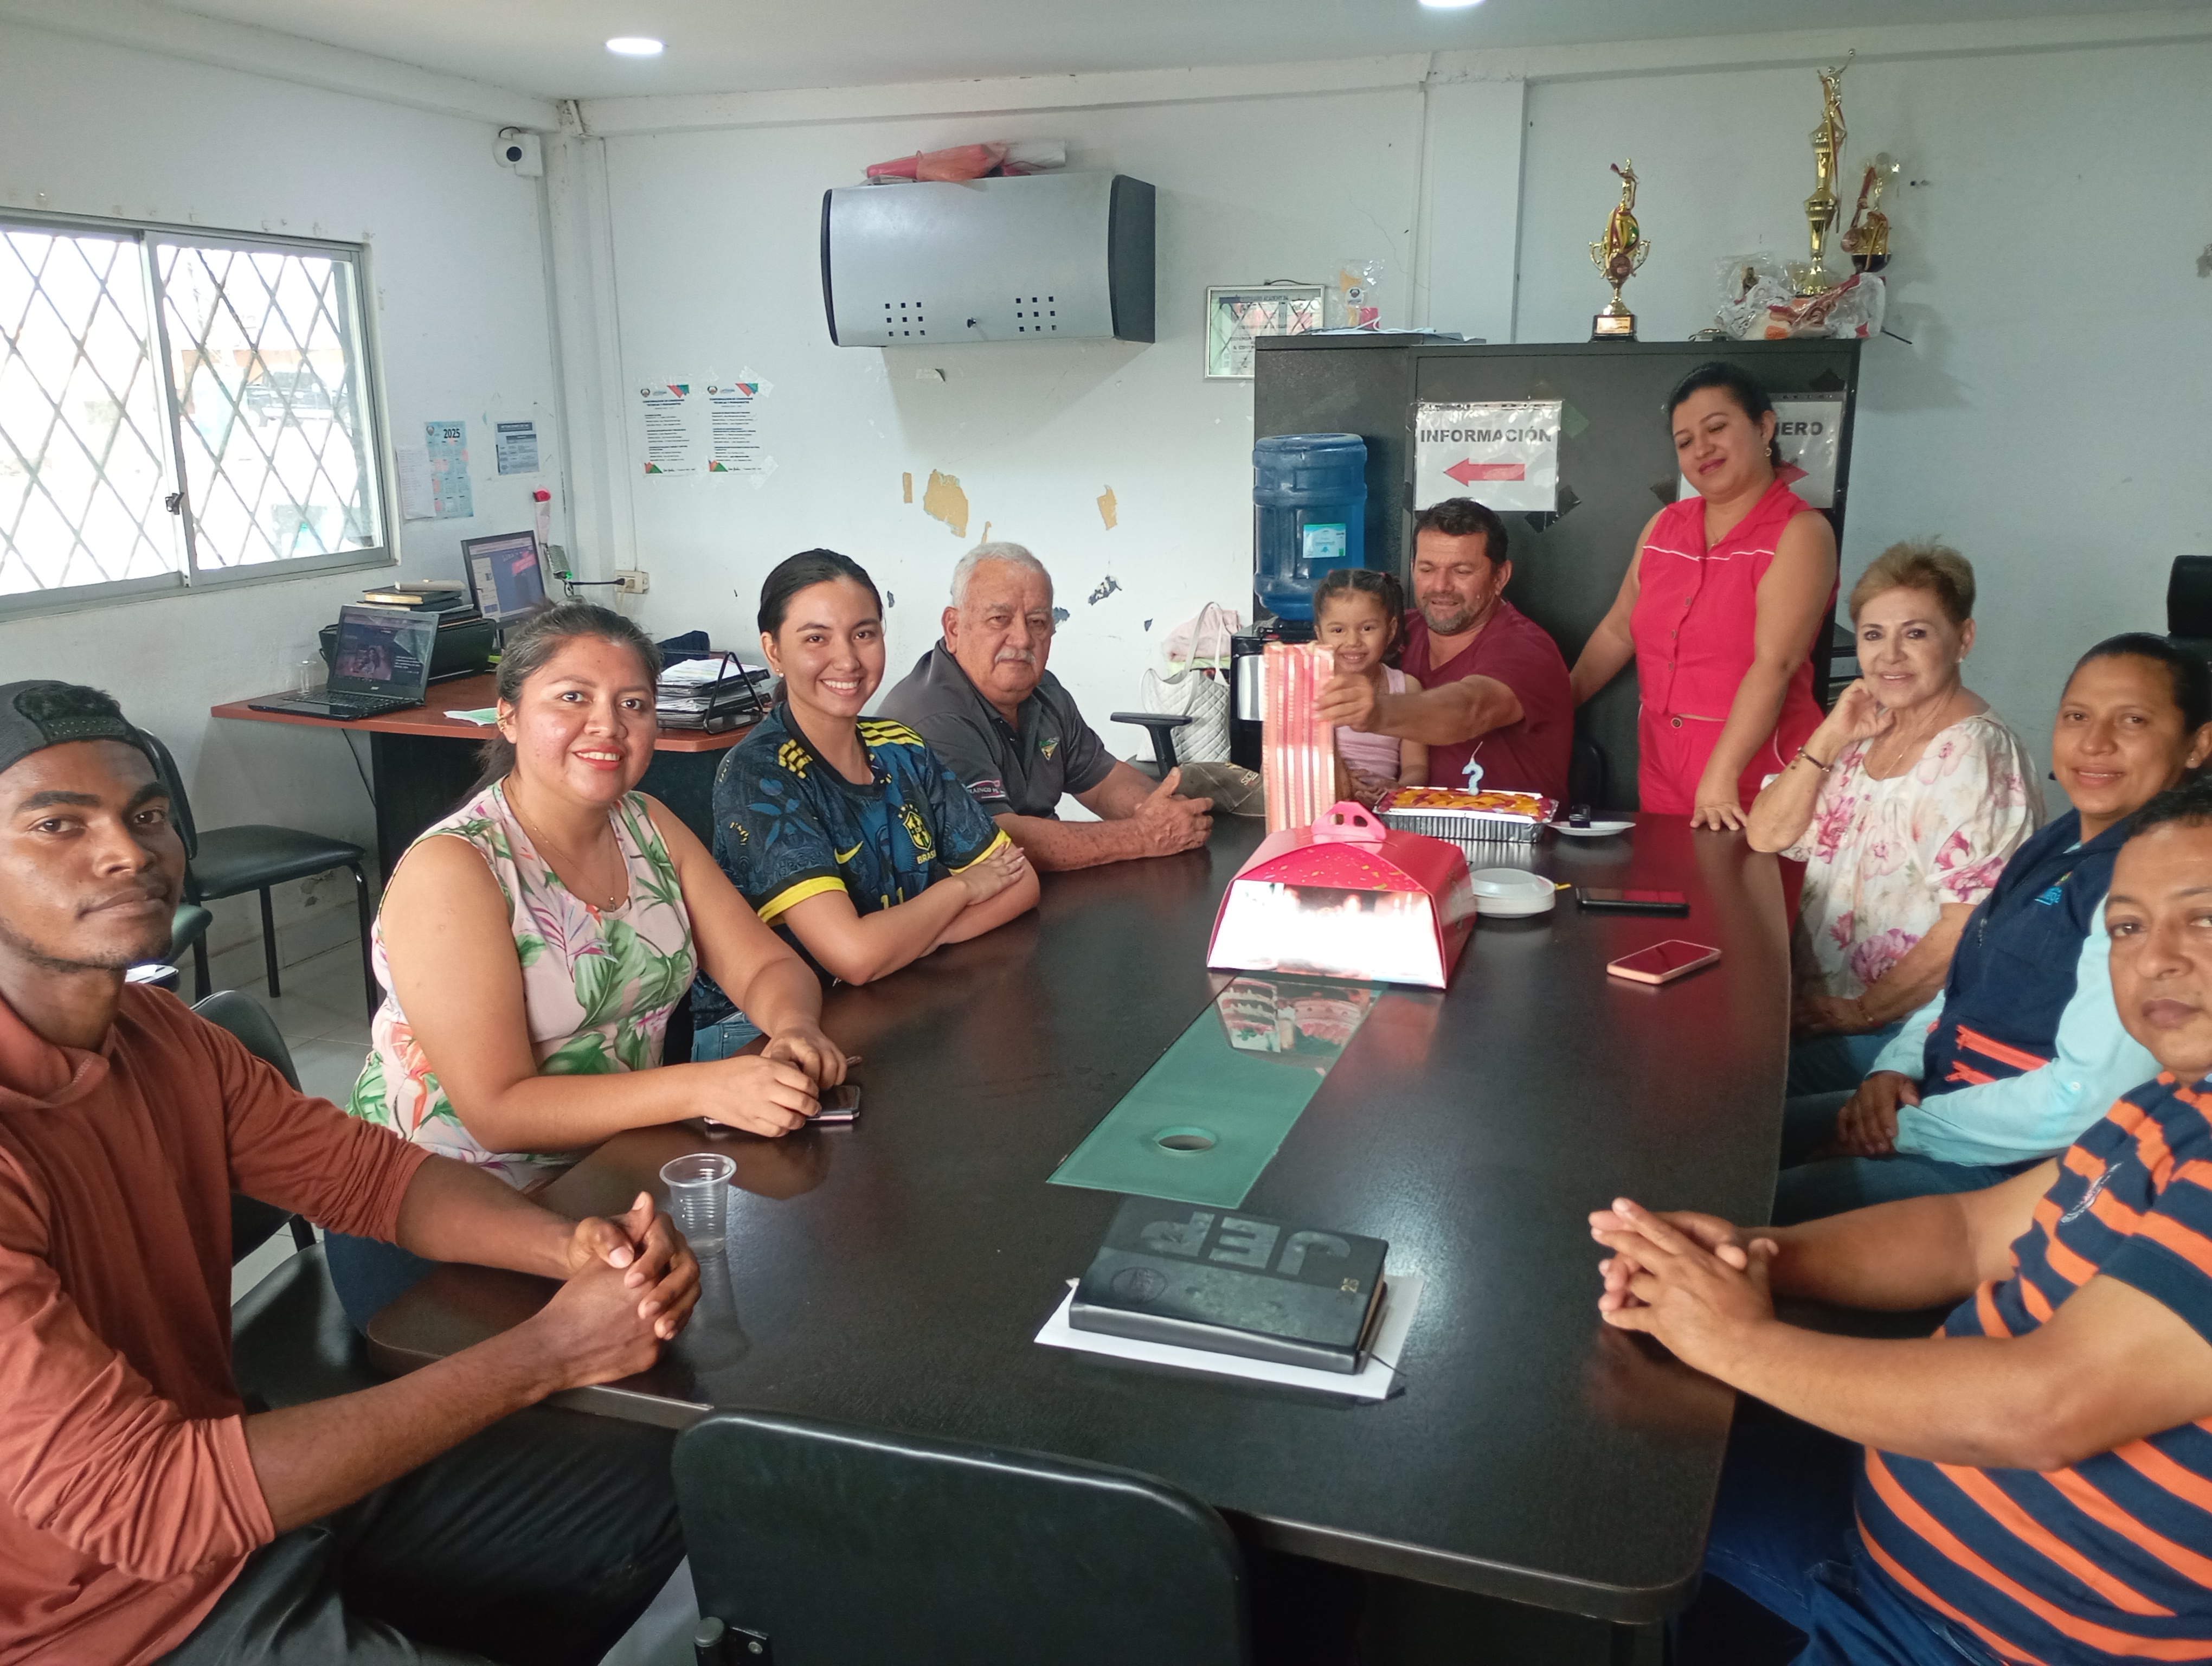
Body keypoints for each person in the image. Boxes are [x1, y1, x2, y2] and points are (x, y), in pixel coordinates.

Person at [0, 679, 696, 1666]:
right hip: (107, 1621)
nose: (127, 851)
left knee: (679, 1475)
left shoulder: (160, 1036)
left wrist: (571, 1248)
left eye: (145, 815)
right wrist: (550, 1351)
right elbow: (147, 1501)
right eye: (57, 825)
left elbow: (372, 1179)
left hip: (253, 1519)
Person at [1592, 777, 2212, 1665]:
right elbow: (1967, 1233)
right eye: (2127, 927)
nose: (2156, 959)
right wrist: (1755, 1254)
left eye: (2203, 919)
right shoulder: (2168, 1107)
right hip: (1888, 1532)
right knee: (1624, 1485)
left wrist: (1736, 1341)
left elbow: (2048, 1406)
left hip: (1973, 1637)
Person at [335, 602, 846, 1329]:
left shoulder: (646, 824)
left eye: (632, 704)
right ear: (508, 715)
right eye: (573, 697)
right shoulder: (456, 869)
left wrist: (794, 1027)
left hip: (600, 1185)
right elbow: (497, 1111)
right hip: (441, 1219)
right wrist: (706, 1086)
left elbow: (766, 966)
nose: (607, 725)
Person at [1773, 634, 2212, 1223]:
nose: (2094, 742)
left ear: (2198, 744)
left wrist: (1903, 1130)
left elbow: (2082, 1100)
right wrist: (1892, 1068)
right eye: (2077, 716)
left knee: (1756, 1204)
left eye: (2132, 720)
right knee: (1746, 1116)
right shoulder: (2058, 841)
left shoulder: (2146, 889)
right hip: (1943, 1086)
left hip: (2005, 1165)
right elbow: (1963, 985)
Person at [689, 549, 1038, 1059]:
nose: (848, 660)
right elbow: (852, 956)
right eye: (816, 638)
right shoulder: (760, 773)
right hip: (761, 1036)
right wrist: (962, 888)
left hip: (891, 992)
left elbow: (1020, 884)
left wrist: (909, 944)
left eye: (864, 633)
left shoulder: (901, 747)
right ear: (773, 651)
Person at [1747, 543, 2041, 1097]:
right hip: (1823, 1009)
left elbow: (1970, 923)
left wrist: (1864, 1011)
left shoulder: (1975, 754)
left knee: (1733, 1086)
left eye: (1916, 633)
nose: (1890, 656)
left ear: (1964, 639)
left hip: (1902, 1032)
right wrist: (1829, 736)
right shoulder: (1866, 733)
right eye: (1874, 635)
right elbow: (1766, 833)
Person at [1569, 361, 1840, 828]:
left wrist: (1720, 776)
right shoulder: (1664, 526)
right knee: (1666, 876)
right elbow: (1619, 630)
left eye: (1717, 428)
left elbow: (1774, 665)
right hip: (1662, 768)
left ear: (1764, 427)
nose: (1702, 449)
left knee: (1747, 878)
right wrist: (1557, 705)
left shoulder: (1801, 533)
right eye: (1685, 441)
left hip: (1755, 778)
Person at [878, 540, 1214, 871]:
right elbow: (1000, 844)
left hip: (1031, 889)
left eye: (1037, 622)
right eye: (999, 619)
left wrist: (1163, 811)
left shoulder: (1043, 690)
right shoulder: (933, 715)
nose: (1023, 638)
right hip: (968, 898)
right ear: (953, 628)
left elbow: (1102, 783)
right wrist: (1143, 835)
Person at [1314, 498, 1573, 804]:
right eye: (1427, 569)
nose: (1440, 586)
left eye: (1461, 571)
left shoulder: (1527, 648)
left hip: (1505, 831)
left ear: (1500, 577)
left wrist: (1376, 712)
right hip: (1394, 828)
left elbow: (1471, 710)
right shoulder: (1388, 634)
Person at [1313, 566, 1427, 805]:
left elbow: (1416, 766)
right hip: (1320, 810)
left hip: (1383, 814)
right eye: (1338, 630)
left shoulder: (1406, 688)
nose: (1353, 641)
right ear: (1320, 635)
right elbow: (1278, 765)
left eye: (1367, 628)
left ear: (1390, 630)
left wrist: (1397, 791)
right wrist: (1337, 782)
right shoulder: (1307, 686)